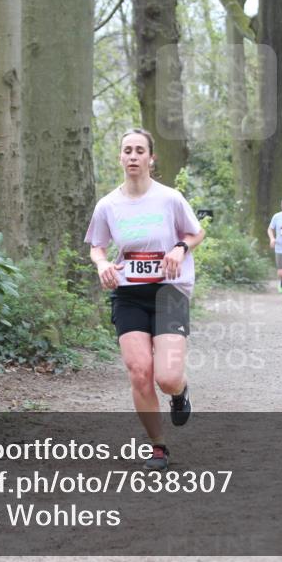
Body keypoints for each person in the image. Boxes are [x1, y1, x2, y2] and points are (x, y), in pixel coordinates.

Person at [85, 129, 205, 471]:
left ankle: (179, 393)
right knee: (139, 372)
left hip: (169, 291)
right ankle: (158, 446)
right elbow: (97, 246)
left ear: (151, 158)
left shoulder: (169, 198)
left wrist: (180, 248)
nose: (133, 156)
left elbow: (196, 232)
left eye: (140, 150)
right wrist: (103, 264)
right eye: (128, 150)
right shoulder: (108, 205)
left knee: (167, 377)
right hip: (129, 294)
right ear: (120, 157)